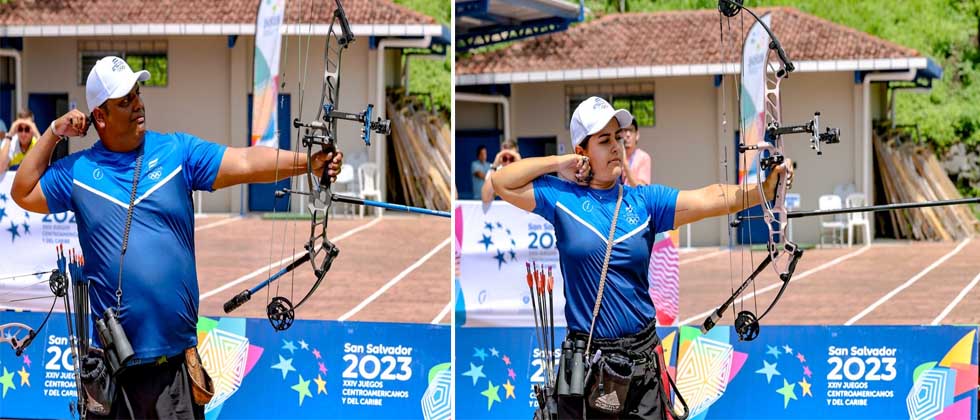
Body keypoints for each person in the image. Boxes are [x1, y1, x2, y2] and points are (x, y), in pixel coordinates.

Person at [11, 56, 343, 419]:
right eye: (125, 100)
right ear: (100, 117)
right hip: (114, 371)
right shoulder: (78, 172)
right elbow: (23, 190)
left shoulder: (177, 153)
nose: (138, 103)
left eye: (137, 94)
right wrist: (54, 132)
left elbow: (246, 162)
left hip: (174, 371)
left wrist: (307, 162)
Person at [491, 96, 793, 420]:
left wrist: (763, 188)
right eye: (604, 141)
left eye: (618, 138)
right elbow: (501, 181)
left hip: (643, 363)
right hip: (591, 365)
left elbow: (708, 199)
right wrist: (558, 163)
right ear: (581, 151)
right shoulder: (561, 198)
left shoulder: (644, 202)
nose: (616, 147)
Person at [0, 110, 42, 180]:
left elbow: (45, 166)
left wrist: (37, 134)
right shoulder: (10, 141)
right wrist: (9, 135)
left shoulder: (37, 142)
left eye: (27, 129)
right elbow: (0, 167)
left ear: (32, 129)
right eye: (20, 129)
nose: (23, 133)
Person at [481, 139, 522, 205]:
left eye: (512, 158)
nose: (508, 162)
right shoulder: (494, 172)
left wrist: (520, 164)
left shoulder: (524, 171)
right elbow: (485, 198)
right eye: (504, 158)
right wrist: (494, 166)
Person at [619, 118, 651, 186]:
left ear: (637, 135)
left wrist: (625, 164)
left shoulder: (643, 157)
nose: (627, 134)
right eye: (624, 130)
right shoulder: (615, 155)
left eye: (630, 130)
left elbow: (642, 189)